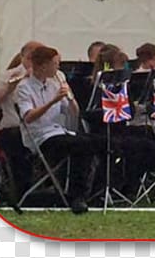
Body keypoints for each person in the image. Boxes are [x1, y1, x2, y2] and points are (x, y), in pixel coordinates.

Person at [16, 46, 105, 214]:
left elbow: (73, 112)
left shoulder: (53, 84)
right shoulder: (24, 87)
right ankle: (76, 194)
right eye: (55, 63)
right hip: (40, 137)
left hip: (58, 131)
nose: (58, 67)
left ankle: (90, 190)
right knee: (81, 146)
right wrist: (53, 101)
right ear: (43, 66)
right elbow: (28, 117)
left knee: (94, 142)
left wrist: (70, 98)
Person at [0, 40, 44, 200]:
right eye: (31, 57)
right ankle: (22, 194)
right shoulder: (8, 75)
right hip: (14, 128)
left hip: (42, 129)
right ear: (24, 57)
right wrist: (11, 87)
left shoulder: (49, 77)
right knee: (16, 144)